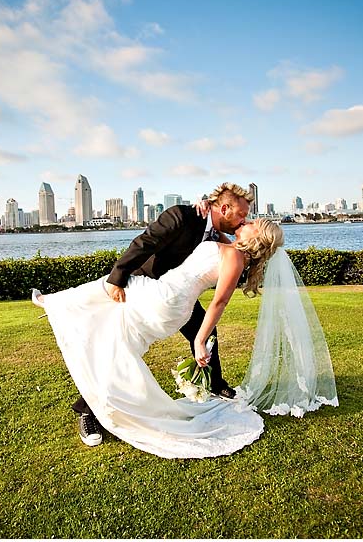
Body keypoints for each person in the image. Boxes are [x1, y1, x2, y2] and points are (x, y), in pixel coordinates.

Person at [33, 217, 338, 459]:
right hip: (168, 299)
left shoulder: (235, 260)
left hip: (168, 299)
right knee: (115, 343)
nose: (245, 223)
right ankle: (99, 404)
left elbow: (219, 303)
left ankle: (52, 302)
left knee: (112, 287)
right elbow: (210, 224)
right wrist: (204, 204)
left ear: (255, 237)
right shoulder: (227, 246)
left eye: (250, 224)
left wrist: (199, 340)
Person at [68, 182, 253, 447]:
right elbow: (145, 242)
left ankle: (214, 384)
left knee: (205, 330)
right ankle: (89, 410)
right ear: (224, 208)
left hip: (178, 298)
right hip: (147, 292)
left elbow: (237, 257)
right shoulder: (182, 215)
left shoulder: (217, 232)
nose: (244, 220)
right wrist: (117, 278)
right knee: (122, 350)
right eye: (242, 215)